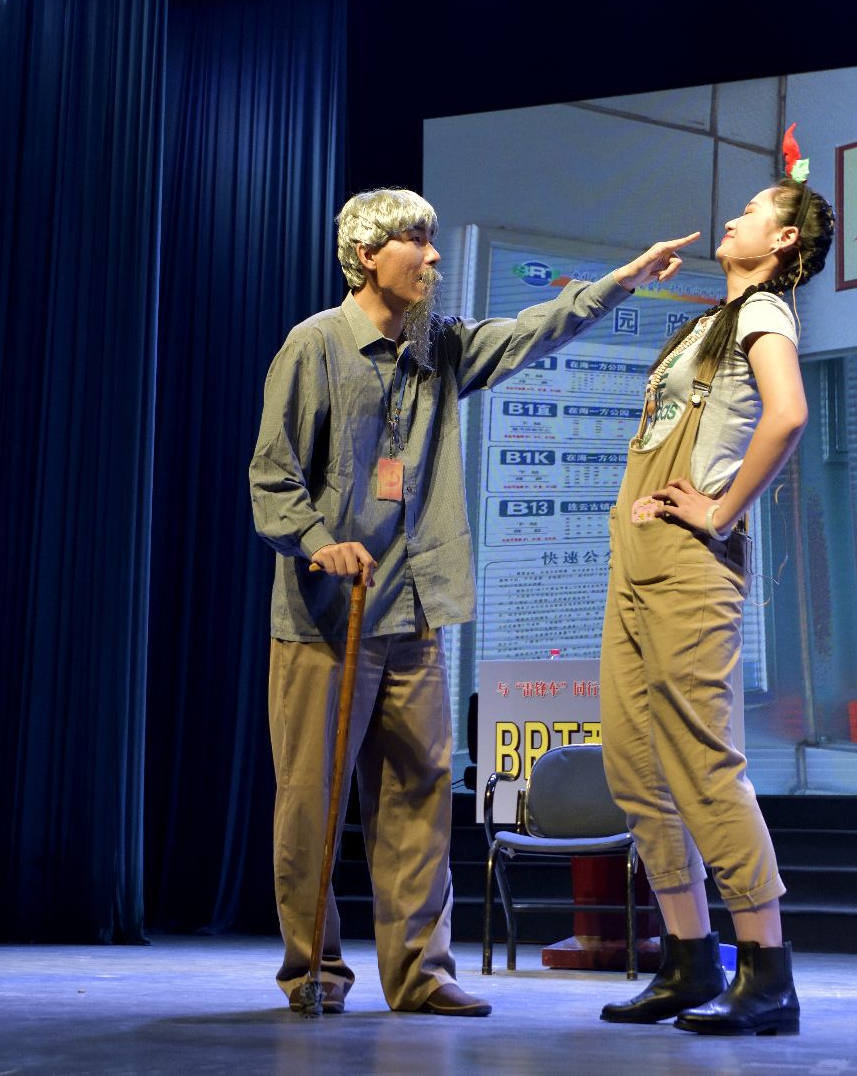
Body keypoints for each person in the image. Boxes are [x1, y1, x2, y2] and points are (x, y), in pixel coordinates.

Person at [250, 186, 697, 1016]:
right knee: (311, 803)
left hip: (416, 613)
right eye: (415, 241)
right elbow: (272, 476)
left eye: (433, 240)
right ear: (366, 256)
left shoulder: (440, 347)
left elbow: (533, 329)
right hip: (329, 621)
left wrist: (623, 280)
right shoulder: (315, 346)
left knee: (419, 795)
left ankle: (421, 972)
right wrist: (317, 540)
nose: (433, 256)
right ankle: (314, 969)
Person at [596, 172, 834, 1035]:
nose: (735, 217)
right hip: (638, 557)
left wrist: (722, 509)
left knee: (702, 761)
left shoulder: (764, 311)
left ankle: (767, 971)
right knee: (635, 765)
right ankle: (689, 957)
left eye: (754, 211)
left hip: (690, 562)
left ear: (783, 241)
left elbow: (788, 413)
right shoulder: (710, 321)